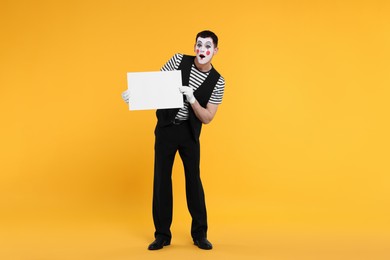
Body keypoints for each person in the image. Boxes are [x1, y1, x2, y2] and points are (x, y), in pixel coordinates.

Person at [122, 30, 225, 250]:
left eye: (208, 46)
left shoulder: (218, 81)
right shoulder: (178, 60)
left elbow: (207, 118)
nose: (202, 50)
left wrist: (192, 99)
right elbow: (154, 87)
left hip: (190, 134)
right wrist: (134, 95)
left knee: (193, 182)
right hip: (167, 129)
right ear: (194, 46)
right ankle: (162, 235)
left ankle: (200, 234)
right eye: (199, 44)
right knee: (161, 180)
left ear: (215, 50)